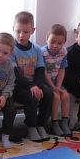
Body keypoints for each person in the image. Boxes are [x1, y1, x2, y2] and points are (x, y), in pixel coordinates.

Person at [11, 11, 53, 141]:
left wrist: (37, 86)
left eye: (25, 32)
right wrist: (32, 86)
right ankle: (31, 126)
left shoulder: (37, 49)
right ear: (13, 29)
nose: (21, 35)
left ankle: (40, 124)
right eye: (18, 31)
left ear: (33, 31)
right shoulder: (11, 49)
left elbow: (40, 71)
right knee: (31, 96)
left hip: (34, 84)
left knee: (49, 93)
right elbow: (15, 75)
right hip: (18, 86)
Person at [41, 24, 72, 137]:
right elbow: (44, 72)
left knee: (65, 95)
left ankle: (64, 122)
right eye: (52, 42)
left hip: (56, 82)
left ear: (64, 42)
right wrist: (54, 88)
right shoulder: (43, 52)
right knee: (56, 96)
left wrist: (58, 86)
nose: (55, 45)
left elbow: (62, 70)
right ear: (47, 39)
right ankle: (54, 123)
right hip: (45, 82)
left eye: (59, 43)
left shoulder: (63, 52)